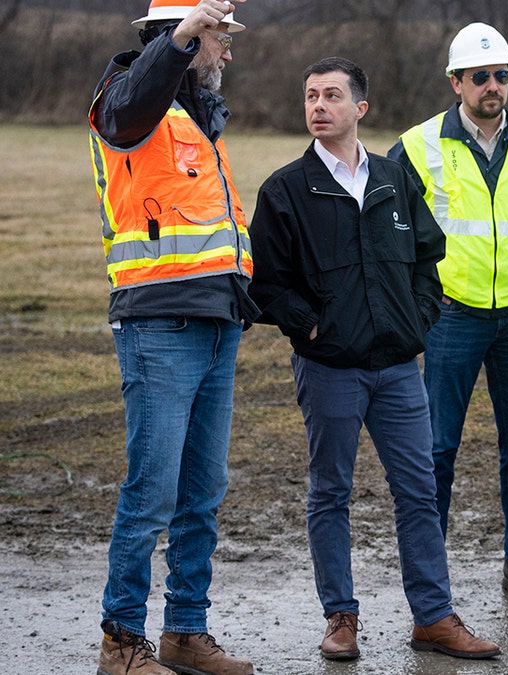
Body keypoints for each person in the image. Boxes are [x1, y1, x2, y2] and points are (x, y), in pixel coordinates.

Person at [248, 57, 502, 663]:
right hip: (329, 368)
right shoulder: (285, 189)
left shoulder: (393, 178)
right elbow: (264, 283)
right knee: (330, 492)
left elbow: (426, 257)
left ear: (360, 109)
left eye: (332, 96)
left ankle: (434, 618)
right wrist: (311, 325)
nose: (318, 106)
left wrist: (418, 316)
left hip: (397, 370)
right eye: (310, 96)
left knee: (418, 489)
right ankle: (341, 619)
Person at [387, 22, 508, 606]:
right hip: (451, 318)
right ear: (456, 83)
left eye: (502, 75)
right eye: (481, 77)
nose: (493, 86)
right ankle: (429, 571)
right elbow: (387, 224)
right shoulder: (419, 145)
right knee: (438, 447)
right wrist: (421, 291)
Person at [87, 2, 256, 674]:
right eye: (220, 38)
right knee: (152, 488)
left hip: (217, 321)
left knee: (202, 488)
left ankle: (186, 630)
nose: (228, 54)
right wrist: (186, 35)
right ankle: (121, 640)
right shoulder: (125, 100)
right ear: (182, 38)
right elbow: (131, 109)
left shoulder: (195, 120)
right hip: (159, 322)